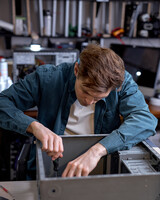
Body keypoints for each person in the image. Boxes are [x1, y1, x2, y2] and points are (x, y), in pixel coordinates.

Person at [0, 44, 157, 179]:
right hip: (49, 169)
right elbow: (3, 103)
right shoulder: (47, 78)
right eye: (86, 92)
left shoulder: (121, 82)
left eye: (98, 98)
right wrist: (35, 126)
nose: (89, 102)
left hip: (100, 168)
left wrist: (96, 151)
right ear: (76, 70)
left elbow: (144, 120)